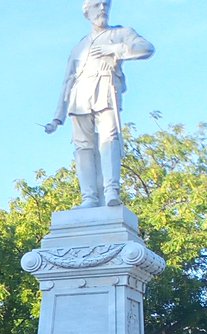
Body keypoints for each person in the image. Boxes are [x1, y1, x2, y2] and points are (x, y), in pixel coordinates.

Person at [44, 0, 154, 209]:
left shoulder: (121, 33)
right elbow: (68, 80)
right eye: (97, 4)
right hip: (80, 95)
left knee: (109, 139)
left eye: (106, 4)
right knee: (82, 146)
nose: (102, 8)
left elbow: (146, 48)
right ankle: (89, 198)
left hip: (105, 87)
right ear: (87, 11)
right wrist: (57, 117)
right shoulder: (79, 46)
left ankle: (111, 190)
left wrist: (115, 49)